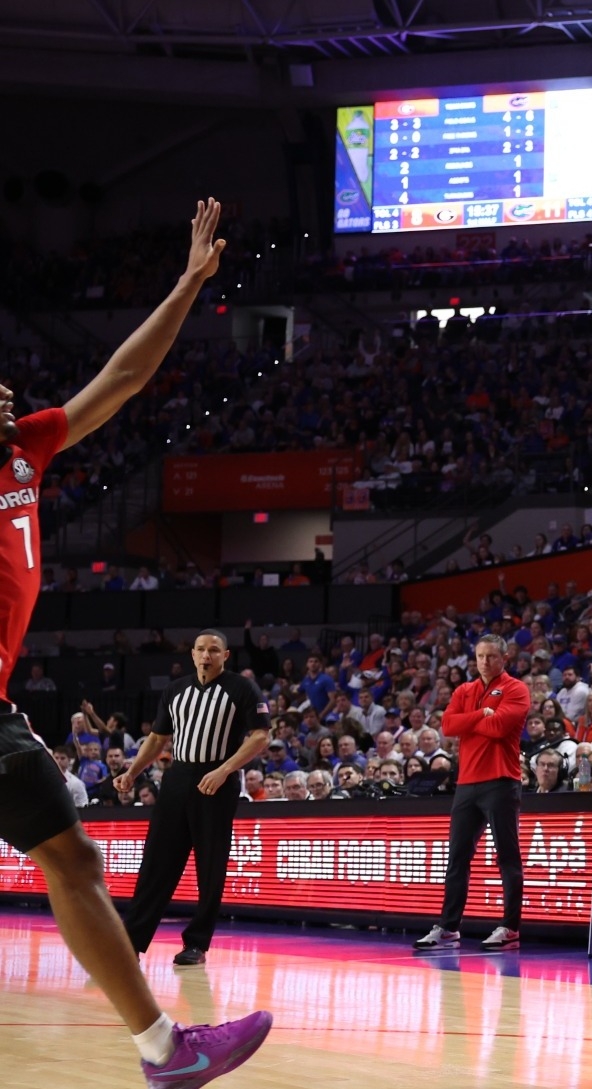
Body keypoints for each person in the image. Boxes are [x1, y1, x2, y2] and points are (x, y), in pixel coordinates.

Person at [0, 198, 272, 1085]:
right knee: (67, 852)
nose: (6, 391)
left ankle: (163, 1050)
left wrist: (188, 285)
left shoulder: (23, 452)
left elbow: (120, 378)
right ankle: (162, 1049)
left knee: (69, 854)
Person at [117, 631, 270, 966]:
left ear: (225, 655)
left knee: (210, 866)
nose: (206, 655)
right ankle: (131, 941)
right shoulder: (175, 690)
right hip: (178, 778)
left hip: (218, 780)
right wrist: (132, 772)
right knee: (156, 862)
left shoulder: (242, 688)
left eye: (213, 650)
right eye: (200, 650)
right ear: (192, 654)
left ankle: (196, 944)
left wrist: (225, 770)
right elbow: (157, 739)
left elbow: (260, 735)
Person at [415, 634, 531, 953]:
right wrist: (482, 715)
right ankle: (449, 928)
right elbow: (448, 726)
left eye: (491, 656)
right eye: (480, 656)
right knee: (457, 859)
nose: (484, 662)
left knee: (507, 856)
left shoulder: (516, 689)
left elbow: (499, 729)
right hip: (466, 784)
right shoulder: (464, 690)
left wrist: (471, 723)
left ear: (503, 659)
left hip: (501, 780)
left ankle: (510, 927)